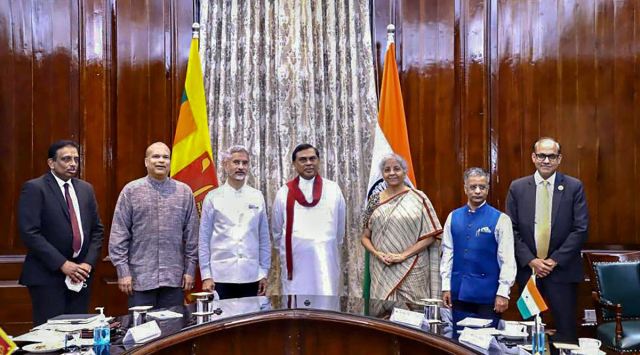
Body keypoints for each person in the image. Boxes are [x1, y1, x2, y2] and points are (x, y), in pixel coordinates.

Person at [506, 137, 588, 348]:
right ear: (533, 157)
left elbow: (580, 229)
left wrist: (553, 261)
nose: (546, 160)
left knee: (566, 333)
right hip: (529, 272)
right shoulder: (517, 187)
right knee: (528, 334)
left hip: (562, 272)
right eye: (541, 155)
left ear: (559, 159)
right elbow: (511, 230)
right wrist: (532, 261)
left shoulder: (573, 186)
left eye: (551, 156)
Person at [18, 140, 104, 325]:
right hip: (47, 275)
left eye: (75, 159)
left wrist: (87, 264)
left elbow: (97, 230)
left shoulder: (85, 189)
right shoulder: (35, 188)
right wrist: (63, 264)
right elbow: (30, 233)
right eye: (66, 159)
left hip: (80, 275)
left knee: (77, 333)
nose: (73, 163)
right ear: (51, 163)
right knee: (50, 336)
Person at [109, 142, 199, 308]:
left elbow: (192, 236)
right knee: (141, 330)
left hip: (174, 279)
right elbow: (118, 234)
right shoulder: (131, 191)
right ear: (146, 161)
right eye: (156, 156)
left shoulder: (184, 192)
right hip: (140, 279)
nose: (161, 161)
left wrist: (190, 270)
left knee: (173, 330)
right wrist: (123, 272)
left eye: (165, 157)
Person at [360, 153, 442, 303]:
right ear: (382, 174)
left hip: (413, 267)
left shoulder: (419, 198)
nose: (392, 173)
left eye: (396, 169)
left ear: (405, 172)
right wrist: (377, 254)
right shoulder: (374, 200)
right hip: (382, 267)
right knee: (383, 316)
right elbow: (365, 237)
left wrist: (403, 255)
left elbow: (431, 235)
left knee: (414, 316)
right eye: (387, 170)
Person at [440, 167, 516, 328]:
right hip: (459, 292)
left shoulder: (501, 219)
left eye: (482, 187)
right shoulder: (453, 217)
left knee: (485, 343)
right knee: (458, 343)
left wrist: (503, 292)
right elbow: (448, 254)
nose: (477, 191)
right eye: (473, 187)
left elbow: (507, 260)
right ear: (465, 188)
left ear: (487, 189)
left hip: (488, 295)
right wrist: (446, 287)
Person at [272, 143, 346, 296]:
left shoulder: (333, 189)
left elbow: (340, 229)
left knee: (326, 306)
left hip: (326, 259)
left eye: (312, 158)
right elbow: (277, 230)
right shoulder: (284, 192)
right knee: (296, 307)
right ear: (294, 164)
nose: (308, 163)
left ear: (318, 161)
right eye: (303, 160)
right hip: (296, 263)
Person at [199, 145, 271, 299]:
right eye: (236, 162)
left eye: (244, 163)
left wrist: (263, 272)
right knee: (222, 322)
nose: (240, 167)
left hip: (251, 276)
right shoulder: (213, 197)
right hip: (220, 276)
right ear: (225, 165)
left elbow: (264, 238)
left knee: (249, 321)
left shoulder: (257, 196)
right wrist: (206, 275)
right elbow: (203, 239)